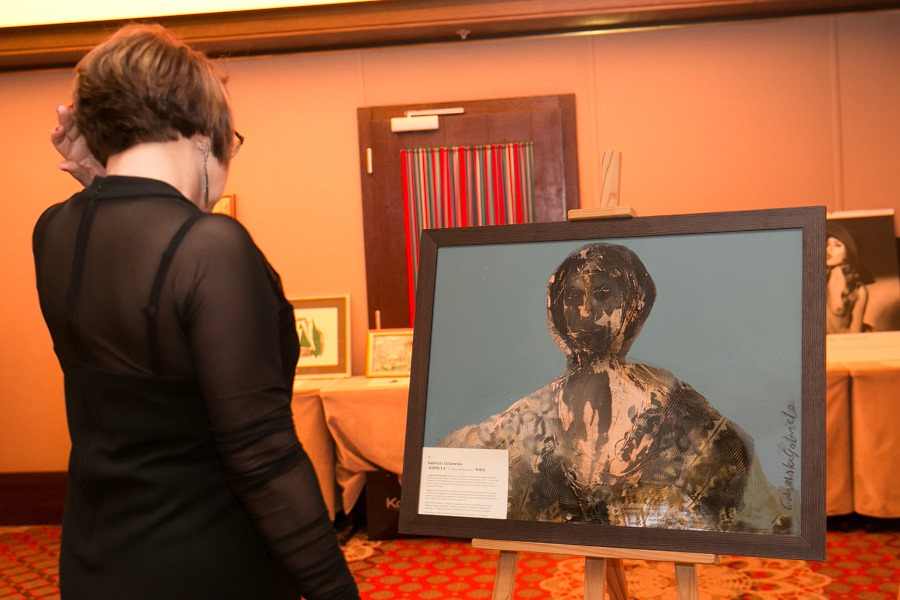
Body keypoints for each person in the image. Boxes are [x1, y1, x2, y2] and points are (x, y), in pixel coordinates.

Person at [34, 24, 359, 599]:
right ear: (205, 134)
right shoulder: (210, 249)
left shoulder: (54, 230)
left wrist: (99, 179)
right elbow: (263, 458)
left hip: (95, 558)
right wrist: (337, 591)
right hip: (208, 563)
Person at [439, 242, 794, 534]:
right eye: (572, 296)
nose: (586, 311)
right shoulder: (531, 416)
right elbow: (460, 465)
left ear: (634, 304)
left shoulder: (679, 407)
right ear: (556, 308)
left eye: (603, 294)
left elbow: (741, 487)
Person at [825, 221, 869, 334]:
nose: (829, 249)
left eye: (837, 245)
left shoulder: (859, 291)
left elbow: (855, 334)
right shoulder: (815, 283)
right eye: (827, 244)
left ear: (847, 254)